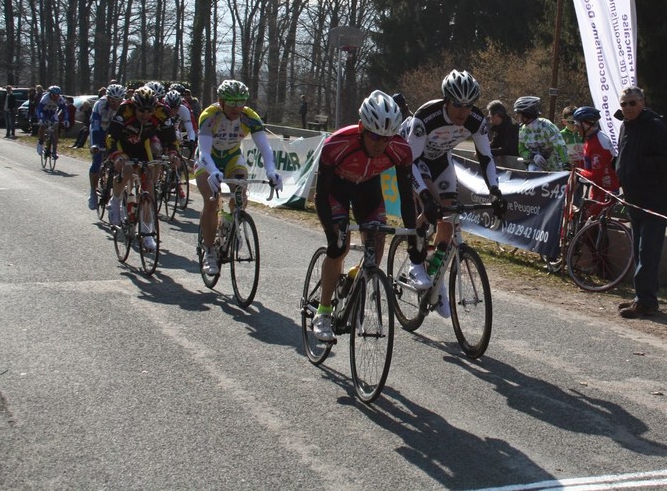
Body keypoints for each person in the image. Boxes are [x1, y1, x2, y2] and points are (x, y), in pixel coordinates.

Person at [310, 91, 426, 341]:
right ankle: (323, 312)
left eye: (386, 138)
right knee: (339, 248)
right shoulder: (336, 144)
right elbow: (320, 196)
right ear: (362, 128)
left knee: (377, 241)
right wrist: (331, 234)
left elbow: (407, 198)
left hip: (368, 190)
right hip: (336, 190)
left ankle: (357, 276)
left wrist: (413, 238)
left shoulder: (400, 150)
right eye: (374, 136)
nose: (380, 144)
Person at [399, 70, 507, 316]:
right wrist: (425, 197)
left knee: (448, 217)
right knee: (428, 207)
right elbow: (409, 163)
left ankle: (436, 280)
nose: (463, 111)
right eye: (458, 104)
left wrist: (495, 192)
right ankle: (416, 262)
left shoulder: (476, 120)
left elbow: (486, 157)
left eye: (469, 105)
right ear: (446, 100)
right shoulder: (426, 117)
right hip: (415, 161)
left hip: (441, 160)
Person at [194, 80, 283, 276]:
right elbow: (204, 153)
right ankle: (209, 252)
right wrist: (213, 171)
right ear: (221, 101)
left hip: (232, 157)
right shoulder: (210, 116)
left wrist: (271, 171)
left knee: (241, 193)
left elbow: (265, 148)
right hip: (208, 159)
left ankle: (231, 221)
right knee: (211, 201)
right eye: (232, 103)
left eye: (241, 103)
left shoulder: (249, 117)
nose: (237, 108)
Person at [615, 87, 667, 318]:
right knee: (638, 251)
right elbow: (624, 156)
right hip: (634, 199)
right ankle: (643, 296)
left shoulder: (654, 125)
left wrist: (641, 165)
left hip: (654, 200)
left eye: (632, 103)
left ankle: (646, 301)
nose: (628, 108)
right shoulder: (625, 126)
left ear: (643, 102)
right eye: (624, 104)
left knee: (648, 251)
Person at [105, 87, 180, 251]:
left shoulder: (161, 112)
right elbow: (111, 136)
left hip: (142, 145)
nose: (145, 115)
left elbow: (171, 138)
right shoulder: (125, 109)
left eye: (149, 111)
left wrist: (173, 154)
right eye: (141, 111)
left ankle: (147, 233)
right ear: (134, 106)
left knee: (149, 186)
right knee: (127, 170)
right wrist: (116, 156)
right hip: (123, 144)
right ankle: (115, 200)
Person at [571, 106, 619, 219]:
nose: (575, 129)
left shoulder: (598, 143)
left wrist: (577, 172)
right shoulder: (592, 138)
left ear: (586, 125)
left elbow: (596, 176)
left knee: (588, 223)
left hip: (605, 191)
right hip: (599, 189)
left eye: (577, 126)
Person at [86, 83, 126, 210]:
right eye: (113, 101)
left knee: (119, 161)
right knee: (97, 161)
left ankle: (115, 195)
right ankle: (93, 192)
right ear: (107, 98)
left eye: (119, 101)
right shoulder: (100, 104)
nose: (116, 104)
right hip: (100, 131)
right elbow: (95, 127)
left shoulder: (125, 106)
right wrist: (95, 145)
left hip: (114, 134)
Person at [514, 96, 569, 172]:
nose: (516, 116)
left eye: (518, 113)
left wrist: (566, 165)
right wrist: (533, 156)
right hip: (537, 169)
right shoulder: (522, 130)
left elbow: (560, 146)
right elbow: (522, 150)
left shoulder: (546, 125)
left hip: (555, 169)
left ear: (527, 113)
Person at [35, 85, 69, 159]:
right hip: (44, 113)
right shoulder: (45, 98)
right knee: (43, 126)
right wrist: (40, 118)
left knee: (56, 130)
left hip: (53, 113)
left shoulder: (60, 99)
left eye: (57, 95)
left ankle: (54, 151)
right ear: (50, 94)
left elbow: (65, 110)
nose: (56, 97)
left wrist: (66, 119)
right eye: (54, 95)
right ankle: (40, 142)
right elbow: (39, 110)